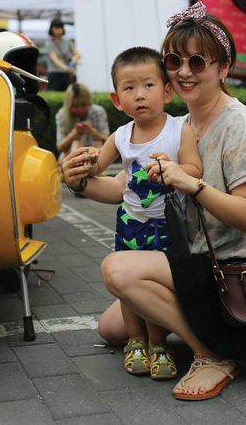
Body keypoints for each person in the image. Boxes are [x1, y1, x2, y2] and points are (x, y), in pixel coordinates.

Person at [62, 2, 246, 401]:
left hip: (230, 265)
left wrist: (193, 186)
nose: (184, 71)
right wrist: (79, 183)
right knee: (111, 330)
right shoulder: (184, 123)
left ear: (224, 68)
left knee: (118, 271)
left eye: (198, 61)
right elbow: (125, 185)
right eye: (174, 60)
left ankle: (211, 353)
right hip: (191, 254)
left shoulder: (239, 126)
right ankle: (193, 321)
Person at [77, 46, 201, 381]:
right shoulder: (120, 137)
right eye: (129, 88)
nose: (140, 95)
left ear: (167, 91)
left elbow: (195, 168)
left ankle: (158, 343)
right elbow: (98, 168)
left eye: (148, 85)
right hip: (131, 224)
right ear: (118, 100)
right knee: (128, 288)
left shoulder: (180, 130)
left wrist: (174, 167)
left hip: (169, 227)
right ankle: (135, 340)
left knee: (147, 285)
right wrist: (80, 165)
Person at [55, 83, 109, 164]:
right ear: (68, 105)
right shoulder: (62, 114)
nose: (80, 110)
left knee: (98, 144)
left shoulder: (98, 112)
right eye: (75, 106)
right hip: (71, 153)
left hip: (94, 152)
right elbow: (60, 147)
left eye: (83, 105)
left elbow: (108, 142)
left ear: (89, 103)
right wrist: (73, 135)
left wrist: (93, 133)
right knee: (75, 144)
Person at [44, 18, 81, 91]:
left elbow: (77, 54)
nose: (58, 30)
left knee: (68, 94)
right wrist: (67, 68)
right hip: (54, 74)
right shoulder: (49, 43)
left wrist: (72, 62)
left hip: (66, 75)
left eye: (60, 27)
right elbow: (54, 59)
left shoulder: (68, 42)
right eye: (56, 28)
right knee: (53, 95)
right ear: (51, 29)